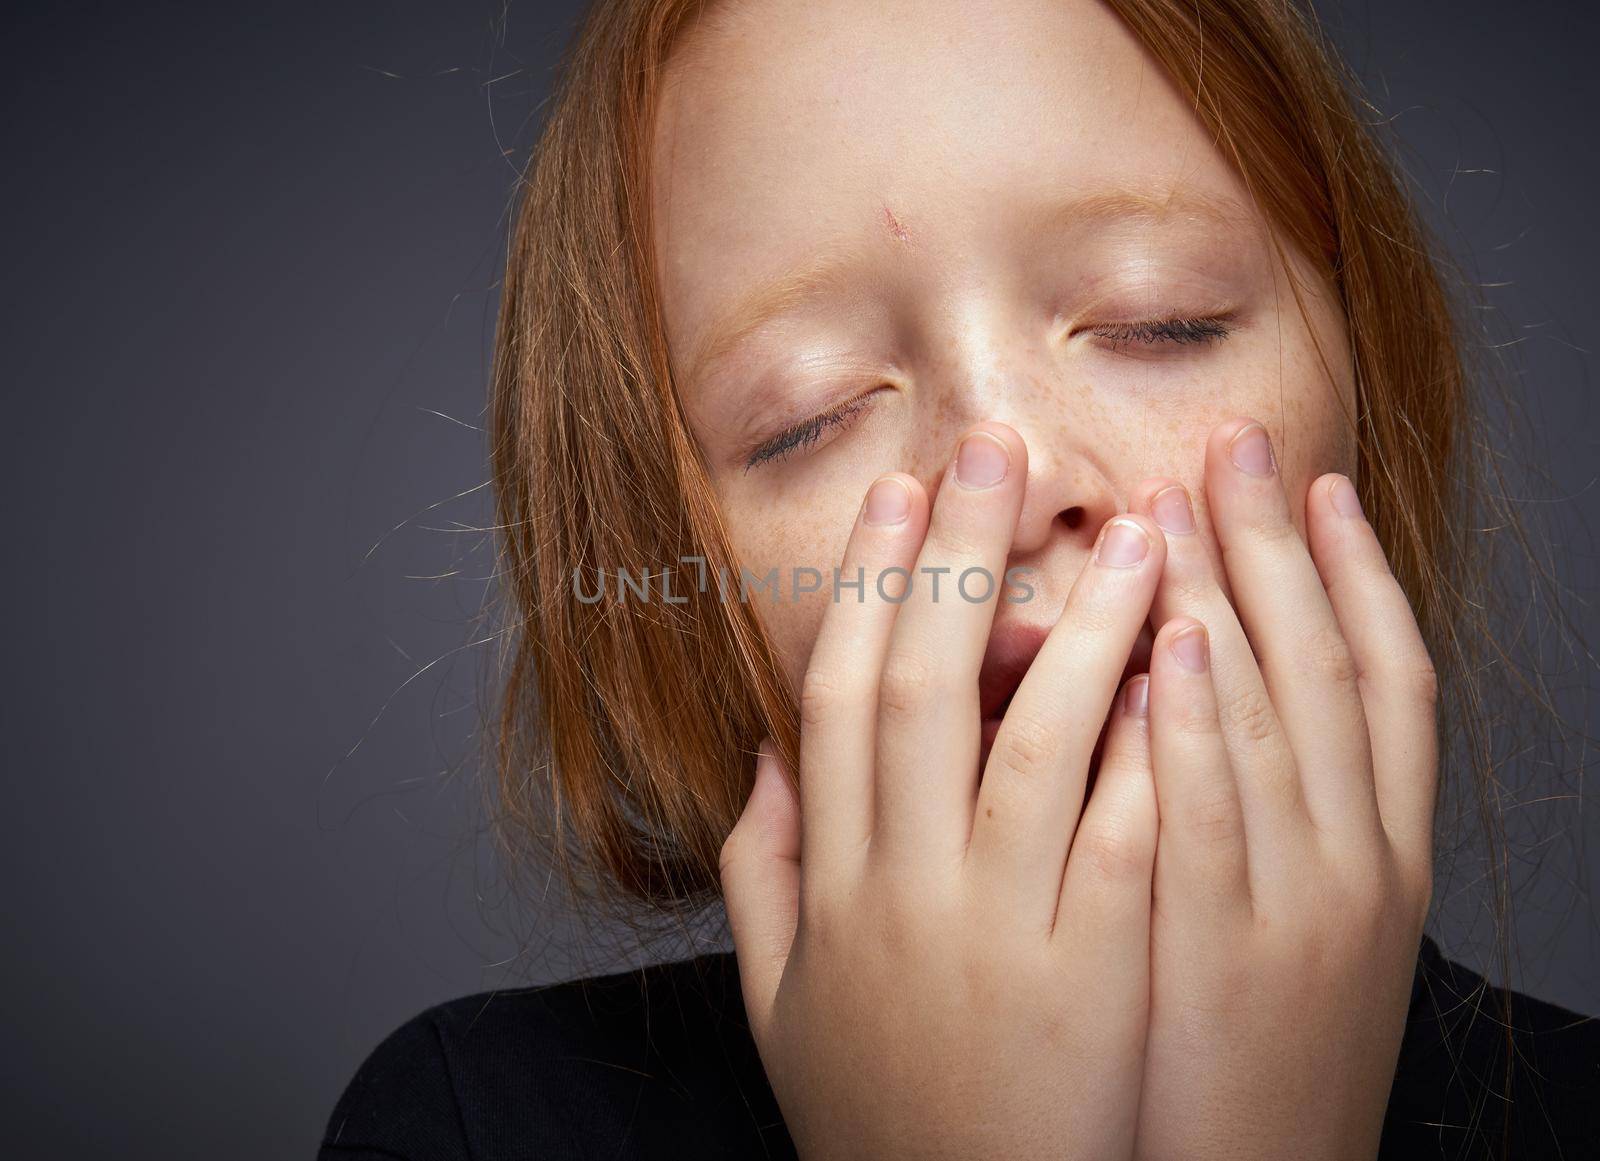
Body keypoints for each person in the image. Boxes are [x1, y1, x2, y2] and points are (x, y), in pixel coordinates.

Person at [318, 0, 1600, 1157]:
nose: (1014, 472)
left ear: (1371, 379)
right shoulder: (470, 1125)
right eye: (805, 417)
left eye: (1159, 317)